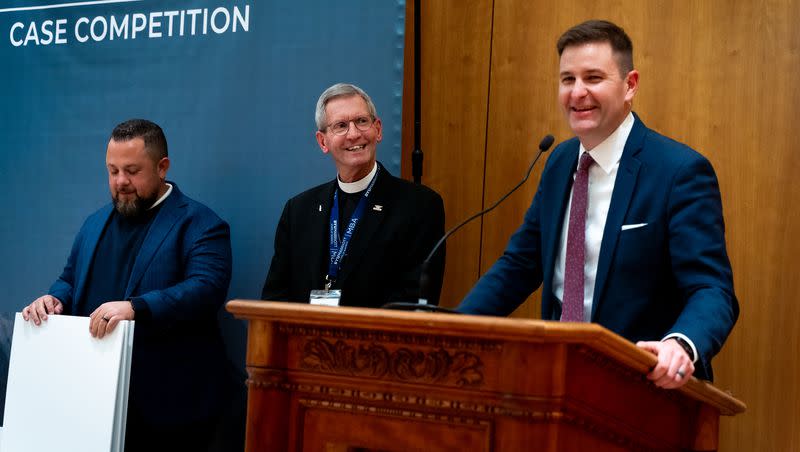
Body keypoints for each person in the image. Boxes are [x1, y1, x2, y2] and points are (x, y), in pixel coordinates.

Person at [457, 20, 738, 389]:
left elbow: (711, 289)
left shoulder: (679, 172)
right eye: (567, 79)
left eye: (593, 78)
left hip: (639, 385)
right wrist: (453, 330)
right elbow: (520, 265)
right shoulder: (559, 162)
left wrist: (681, 343)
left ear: (630, 85)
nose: (577, 93)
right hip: (558, 377)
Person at [22, 119, 233, 451]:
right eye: (112, 170)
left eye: (132, 170)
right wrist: (54, 299)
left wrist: (137, 307)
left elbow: (207, 288)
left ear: (162, 167)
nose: (120, 181)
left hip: (170, 410)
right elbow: (69, 279)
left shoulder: (201, 223)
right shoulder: (94, 223)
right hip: (93, 401)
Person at [261, 83, 445, 307]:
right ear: (323, 141)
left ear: (378, 129)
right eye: (340, 125)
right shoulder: (298, 211)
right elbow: (275, 299)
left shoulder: (420, 207)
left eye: (361, 121)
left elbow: (413, 304)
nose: (354, 134)